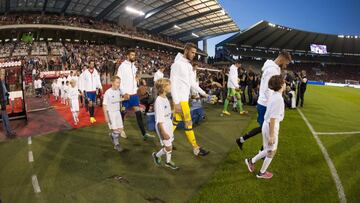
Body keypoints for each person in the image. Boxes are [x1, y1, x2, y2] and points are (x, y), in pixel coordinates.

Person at [236, 51, 291, 150]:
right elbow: (267, 89)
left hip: (264, 103)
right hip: (266, 104)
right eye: (286, 63)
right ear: (282, 59)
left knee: (265, 128)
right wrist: (273, 103)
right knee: (269, 130)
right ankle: (261, 154)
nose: (286, 66)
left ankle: (242, 140)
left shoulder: (273, 69)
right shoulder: (272, 70)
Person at [170, 43, 210, 156]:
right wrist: (176, 102)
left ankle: (166, 142)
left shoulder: (188, 65)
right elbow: (172, 83)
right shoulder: (177, 64)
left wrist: (204, 93)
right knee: (188, 123)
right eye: (192, 52)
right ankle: (196, 148)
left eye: (195, 53)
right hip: (180, 101)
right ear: (186, 50)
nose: (194, 55)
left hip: (184, 100)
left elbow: (192, 83)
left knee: (175, 122)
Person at [245, 75, 285, 179]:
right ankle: (262, 173)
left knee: (267, 149)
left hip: (267, 125)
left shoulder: (274, 95)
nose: (285, 84)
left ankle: (251, 161)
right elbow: (273, 118)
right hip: (271, 126)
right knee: (271, 151)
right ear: (281, 85)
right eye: (284, 82)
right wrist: (272, 136)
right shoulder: (278, 99)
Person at [116, 49, 154, 140]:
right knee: (123, 112)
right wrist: (122, 92)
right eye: (132, 55)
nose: (133, 56)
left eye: (134, 55)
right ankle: (120, 130)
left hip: (134, 95)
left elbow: (133, 79)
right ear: (127, 56)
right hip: (126, 94)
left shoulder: (134, 66)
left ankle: (144, 134)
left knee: (138, 114)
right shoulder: (122, 66)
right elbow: (119, 80)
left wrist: (136, 81)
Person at [152, 78, 179, 170]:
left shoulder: (165, 97)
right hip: (162, 125)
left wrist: (173, 110)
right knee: (168, 146)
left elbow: (166, 112)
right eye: (169, 85)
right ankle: (156, 155)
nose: (170, 86)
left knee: (169, 144)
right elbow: (159, 120)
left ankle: (167, 161)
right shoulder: (159, 101)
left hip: (168, 123)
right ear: (164, 87)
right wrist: (163, 132)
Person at [103, 76, 124, 152]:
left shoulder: (119, 91)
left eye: (119, 82)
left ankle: (112, 136)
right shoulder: (108, 92)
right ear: (112, 82)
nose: (119, 84)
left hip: (117, 112)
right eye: (117, 82)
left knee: (120, 130)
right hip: (111, 113)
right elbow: (104, 105)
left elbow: (120, 98)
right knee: (116, 131)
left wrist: (124, 100)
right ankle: (117, 144)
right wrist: (106, 116)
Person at [0, 69, 16, 138]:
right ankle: (9, 132)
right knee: (5, 117)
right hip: (2, 101)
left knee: (4, 117)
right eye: (2, 74)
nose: (3, 75)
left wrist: (7, 95)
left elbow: (5, 91)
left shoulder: (3, 82)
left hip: (4, 100)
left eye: (4, 73)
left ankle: (7, 132)